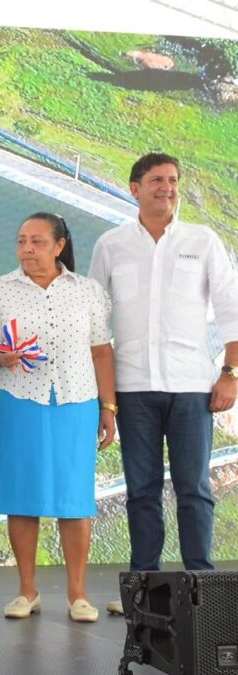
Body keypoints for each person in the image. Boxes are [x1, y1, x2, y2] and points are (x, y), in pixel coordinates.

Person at [88, 154, 238, 614]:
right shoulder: (111, 245)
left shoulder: (203, 240)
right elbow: (94, 322)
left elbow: (233, 308)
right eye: (157, 180)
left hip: (193, 386)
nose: (167, 188)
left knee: (194, 487)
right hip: (133, 389)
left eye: (173, 180)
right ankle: (144, 590)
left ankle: (201, 588)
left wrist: (231, 374)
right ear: (135, 188)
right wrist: (105, 401)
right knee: (142, 490)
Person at [0, 212, 116, 623]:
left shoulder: (87, 291)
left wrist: (108, 407)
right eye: (21, 241)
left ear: (59, 246)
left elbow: (101, 351)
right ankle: (26, 591)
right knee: (22, 496)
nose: (27, 250)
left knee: (75, 500)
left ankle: (78, 595)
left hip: (76, 401)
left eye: (37, 242)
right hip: (17, 399)